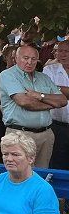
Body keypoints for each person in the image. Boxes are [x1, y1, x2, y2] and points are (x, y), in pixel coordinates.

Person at [0, 43, 67, 168]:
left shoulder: (43, 78)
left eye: (33, 59)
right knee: (19, 174)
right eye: (25, 58)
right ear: (16, 58)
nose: (29, 62)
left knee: (42, 176)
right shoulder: (8, 75)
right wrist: (52, 104)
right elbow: (25, 102)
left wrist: (40, 96)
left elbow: (62, 100)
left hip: (45, 134)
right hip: (20, 134)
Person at [42, 40, 69, 169]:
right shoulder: (49, 70)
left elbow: (52, 90)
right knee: (57, 164)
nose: (62, 54)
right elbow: (46, 91)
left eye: (66, 51)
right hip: (57, 126)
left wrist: (56, 89)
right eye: (59, 51)